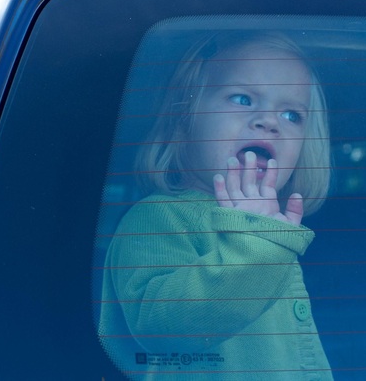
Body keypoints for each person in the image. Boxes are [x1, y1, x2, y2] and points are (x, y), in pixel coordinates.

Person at [99, 32, 333, 380]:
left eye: (291, 114)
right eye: (242, 98)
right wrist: (255, 247)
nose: (268, 121)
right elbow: (162, 329)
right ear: (185, 120)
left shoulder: (275, 227)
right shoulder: (156, 217)